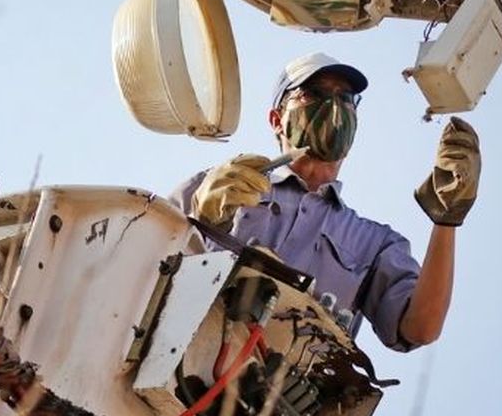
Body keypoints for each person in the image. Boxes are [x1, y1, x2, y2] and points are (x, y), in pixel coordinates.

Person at [170, 52, 480, 352]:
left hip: (280, 397)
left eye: (346, 98)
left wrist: (447, 220)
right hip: (183, 362)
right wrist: (203, 220)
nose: (334, 106)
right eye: (313, 93)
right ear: (277, 119)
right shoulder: (222, 185)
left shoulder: (375, 244)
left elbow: (420, 328)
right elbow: (141, 261)